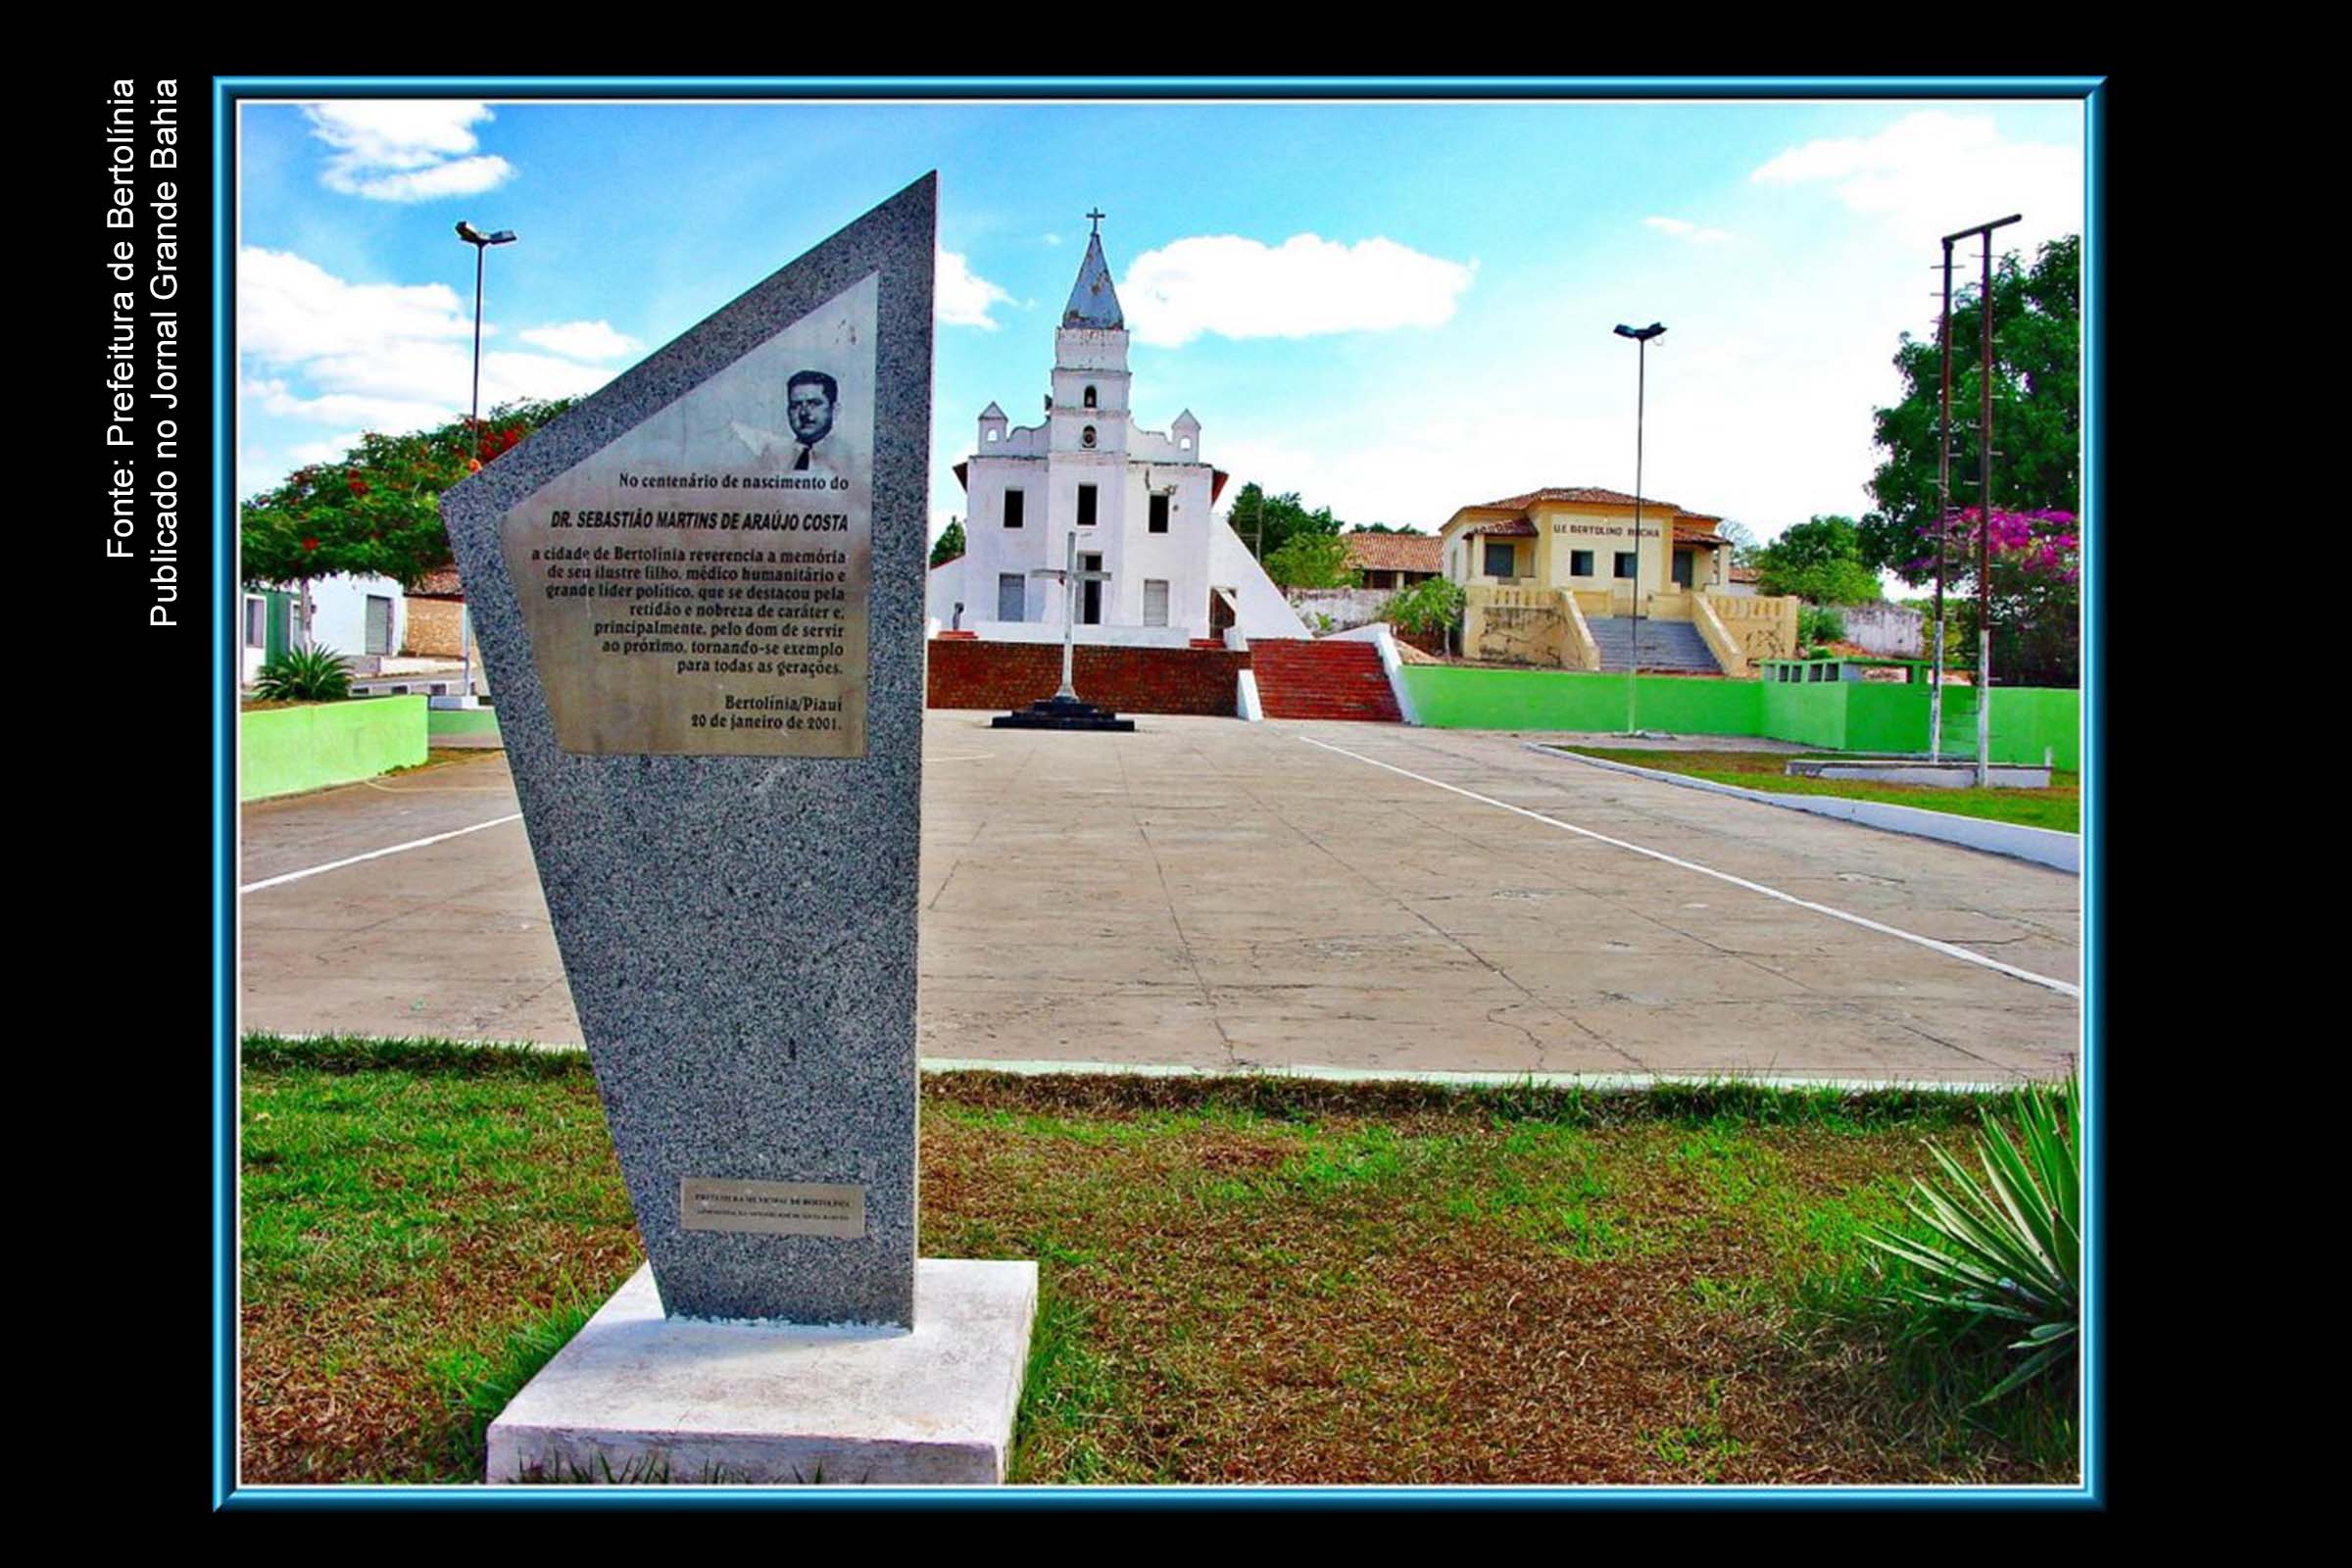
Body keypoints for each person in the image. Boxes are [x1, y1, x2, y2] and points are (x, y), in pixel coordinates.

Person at [784, 369, 838, 471]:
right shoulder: (773, 460)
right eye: (796, 406)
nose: (804, 413)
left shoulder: (854, 462)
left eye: (814, 404)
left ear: (834, 410)